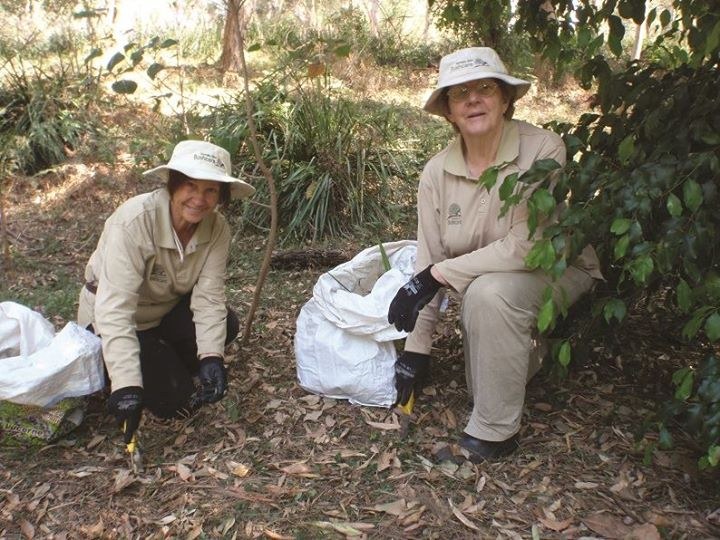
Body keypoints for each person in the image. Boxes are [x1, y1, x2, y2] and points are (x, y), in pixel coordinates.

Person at [387, 47, 603, 462]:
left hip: (557, 268)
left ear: (505, 99)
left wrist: (435, 276)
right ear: (448, 111)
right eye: (458, 92)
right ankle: (537, 346)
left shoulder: (542, 149)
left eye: (485, 88)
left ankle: (495, 434)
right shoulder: (435, 172)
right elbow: (428, 259)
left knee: (489, 296)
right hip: (489, 280)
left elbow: (527, 246)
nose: (472, 99)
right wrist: (417, 349)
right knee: (483, 367)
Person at [77, 140, 255, 445]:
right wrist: (126, 386)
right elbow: (114, 309)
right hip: (118, 322)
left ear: (221, 196)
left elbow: (209, 296)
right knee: (176, 401)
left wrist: (212, 357)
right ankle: (121, 368)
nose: (199, 199)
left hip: (163, 312)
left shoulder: (217, 228)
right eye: (189, 186)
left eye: (210, 190)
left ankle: (161, 359)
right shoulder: (135, 221)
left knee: (227, 324)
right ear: (172, 185)